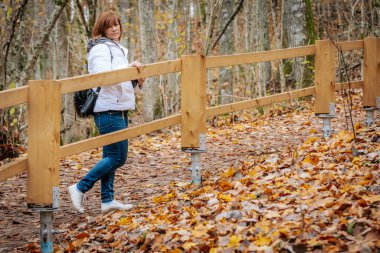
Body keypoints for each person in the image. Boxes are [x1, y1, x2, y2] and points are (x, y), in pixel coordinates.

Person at [68, 11, 144, 213]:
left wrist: (136, 79)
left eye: (117, 24)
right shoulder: (101, 48)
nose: (114, 28)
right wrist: (129, 68)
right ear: (102, 29)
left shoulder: (116, 48)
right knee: (118, 158)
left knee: (110, 156)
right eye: (109, 25)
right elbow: (103, 78)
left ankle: (107, 200)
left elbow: (121, 83)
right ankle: (79, 187)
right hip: (108, 110)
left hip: (118, 108)